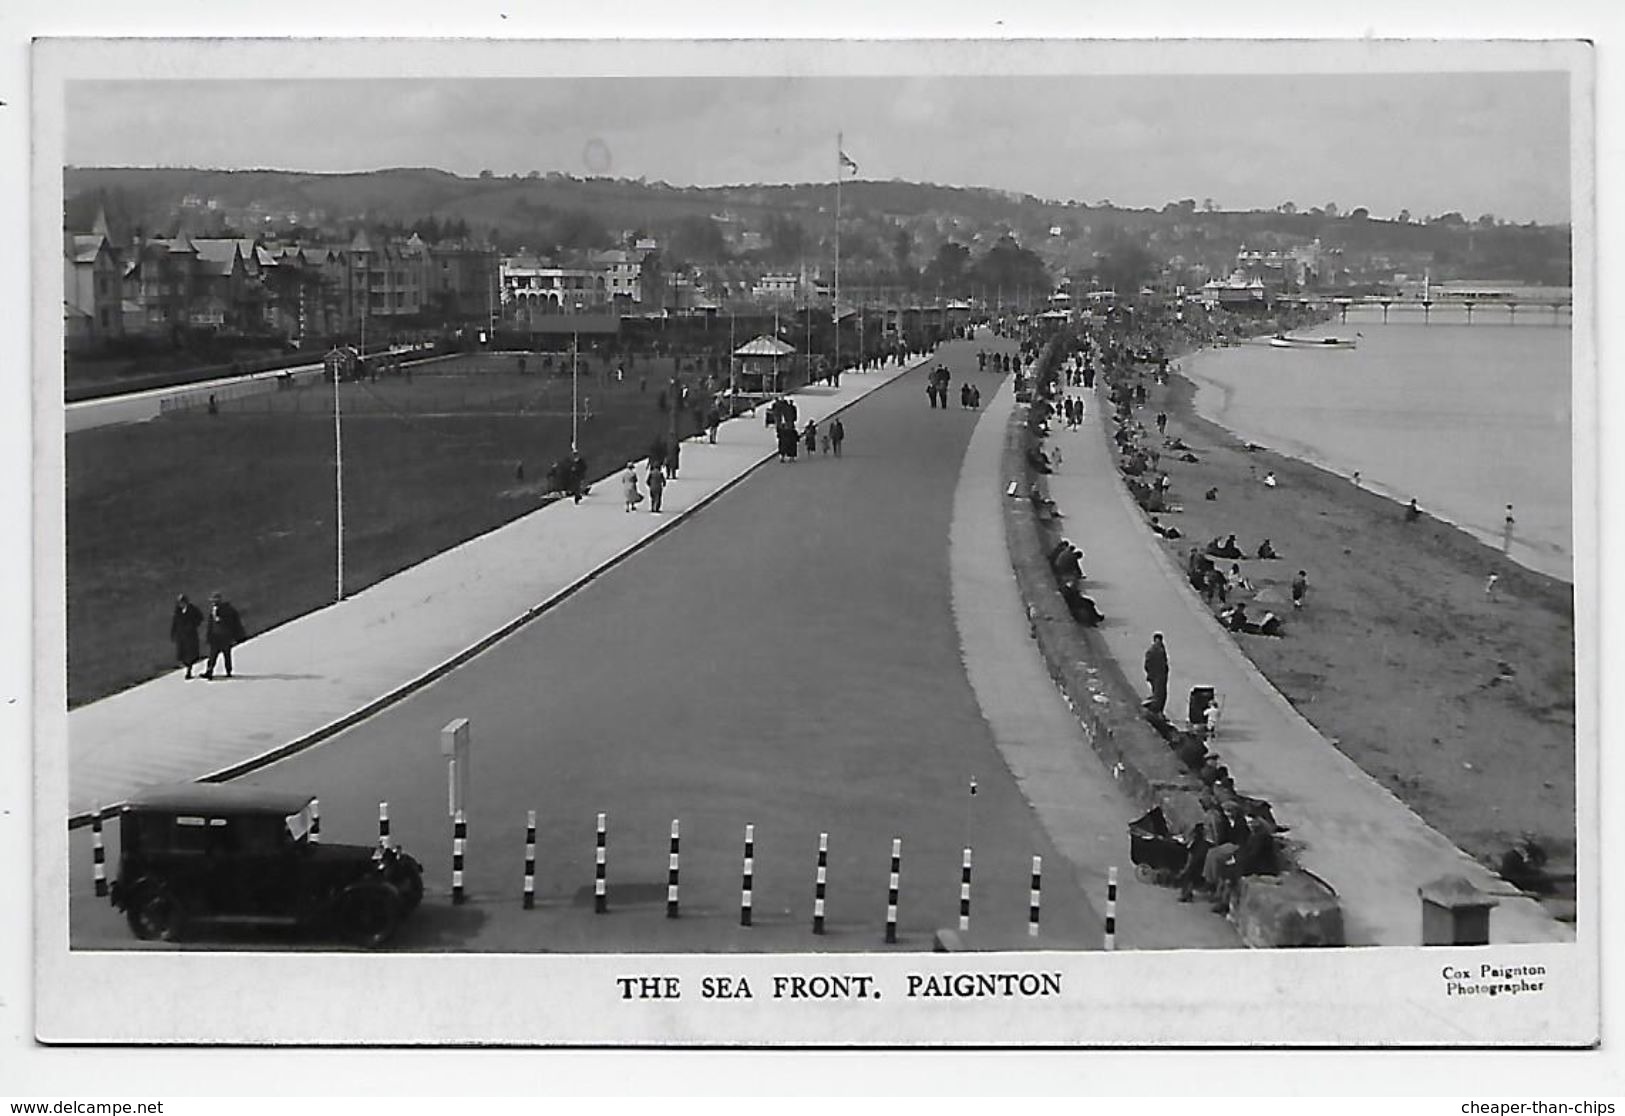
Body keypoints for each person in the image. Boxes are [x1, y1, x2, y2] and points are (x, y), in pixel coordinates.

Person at [201, 592, 246, 680]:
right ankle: (209, 671)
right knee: (212, 655)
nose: (213, 602)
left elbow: (233, 623)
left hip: (225, 636)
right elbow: (210, 624)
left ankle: (228, 670)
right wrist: (209, 635)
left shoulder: (228, 610)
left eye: (214, 600)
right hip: (215, 636)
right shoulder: (213, 610)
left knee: (226, 654)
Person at [170, 593, 203, 679]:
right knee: (182, 654)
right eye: (180, 602)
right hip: (180, 636)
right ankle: (186, 666)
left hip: (190, 636)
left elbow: (200, 618)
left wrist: (192, 626)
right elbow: (175, 623)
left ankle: (189, 670)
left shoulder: (192, 609)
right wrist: (173, 633)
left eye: (182, 602)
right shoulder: (177, 611)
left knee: (190, 654)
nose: (181, 604)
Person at [1143, 632, 1170, 717]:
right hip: (1159, 676)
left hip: (1154, 675)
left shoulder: (1151, 650)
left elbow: (1146, 664)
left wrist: (1149, 673)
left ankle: (1157, 710)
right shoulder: (1160, 650)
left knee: (1157, 693)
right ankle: (1157, 711)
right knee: (1160, 694)